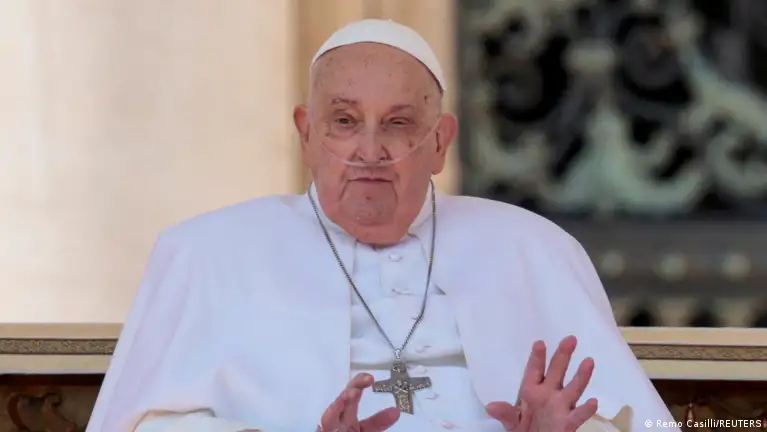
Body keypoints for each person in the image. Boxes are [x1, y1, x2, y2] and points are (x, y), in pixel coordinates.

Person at [86, 19, 679, 432]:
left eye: (398, 124)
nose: (370, 151)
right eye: (345, 121)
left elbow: (640, 423)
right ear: (306, 135)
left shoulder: (533, 248)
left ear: (441, 142)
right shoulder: (206, 253)